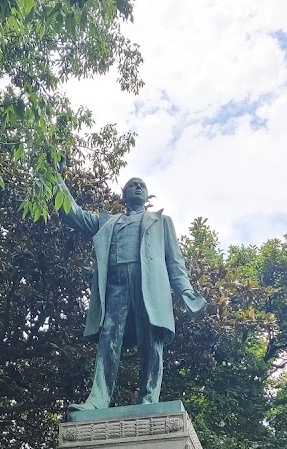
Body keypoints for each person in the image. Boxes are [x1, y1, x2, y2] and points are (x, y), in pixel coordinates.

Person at [57, 169, 206, 410]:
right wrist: (56, 177)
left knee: (151, 340)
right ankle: (98, 400)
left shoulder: (162, 222)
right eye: (133, 185)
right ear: (123, 195)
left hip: (148, 284)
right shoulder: (107, 222)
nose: (138, 187)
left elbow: (175, 262)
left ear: (146, 196)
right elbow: (71, 213)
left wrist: (186, 292)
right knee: (108, 339)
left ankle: (148, 399)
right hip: (116, 284)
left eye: (142, 186)